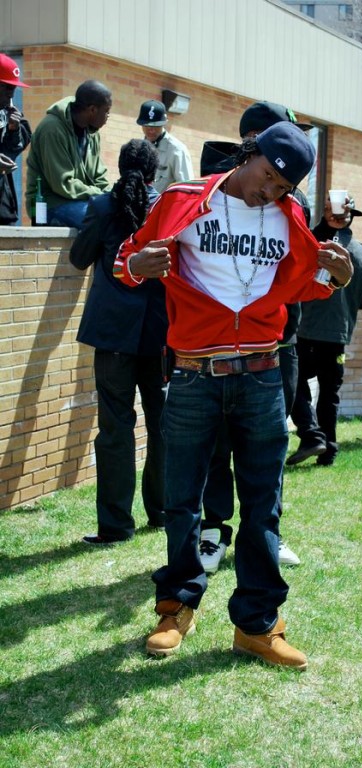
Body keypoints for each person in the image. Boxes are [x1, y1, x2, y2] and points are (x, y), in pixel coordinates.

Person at [113, 121, 354, 669]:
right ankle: (175, 607)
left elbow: (298, 282)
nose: (269, 191)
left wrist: (335, 279)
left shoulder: (289, 217)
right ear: (250, 154)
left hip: (263, 375)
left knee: (264, 503)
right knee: (182, 500)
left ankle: (257, 624)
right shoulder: (182, 200)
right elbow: (124, 261)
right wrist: (137, 266)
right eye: (267, 176)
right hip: (193, 374)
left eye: (282, 187)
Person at [199, 101, 314, 573]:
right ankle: (212, 530)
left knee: (268, 447)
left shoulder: (291, 199)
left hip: (276, 344)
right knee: (215, 444)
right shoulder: (210, 187)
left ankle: (267, 531)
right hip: (212, 349)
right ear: (252, 142)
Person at [69, 139, 168, 544]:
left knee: (115, 429)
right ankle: (162, 512)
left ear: (121, 166)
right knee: (163, 426)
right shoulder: (167, 208)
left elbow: (79, 258)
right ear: (154, 172)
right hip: (160, 334)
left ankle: (115, 526)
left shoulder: (102, 206)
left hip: (112, 334)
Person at [287, 194, 362, 466]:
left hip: (307, 330)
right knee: (329, 393)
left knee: (292, 380)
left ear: (327, 213)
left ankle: (312, 435)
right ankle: (328, 451)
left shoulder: (314, 246)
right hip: (339, 336)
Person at [26, 80, 112, 229]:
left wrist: (113, 195)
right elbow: (62, 183)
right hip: (49, 204)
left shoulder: (92, 133)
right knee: (100, 223)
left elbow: (99, 177)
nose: (108, 116)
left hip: (81, 200)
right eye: (107, 111)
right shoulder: (52, 129)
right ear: (92, 110)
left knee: (119, 216)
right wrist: (100, 194)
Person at [0, 53, 31, 225]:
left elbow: (10, 153)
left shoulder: (10, 114)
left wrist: (13, 130)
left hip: (3, 208)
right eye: (6, 87)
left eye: (14, 88)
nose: (11, 95)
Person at [137, 99, 193, 193]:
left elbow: (186, 189)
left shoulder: (177, 150)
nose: (150, 130)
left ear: (164, 123)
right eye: (146, 125)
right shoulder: (138, 148)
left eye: (155, 125)